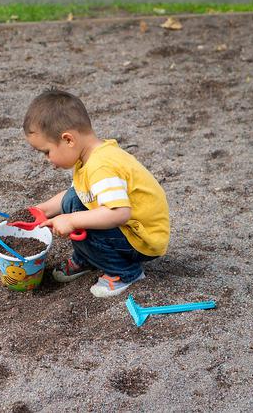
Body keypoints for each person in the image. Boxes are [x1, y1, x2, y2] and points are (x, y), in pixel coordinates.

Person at [23, 88, 169, 297]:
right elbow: (76, 194)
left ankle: (125, 272)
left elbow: (118, 213)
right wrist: (42, 210)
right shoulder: (90, 156)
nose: (47, 159)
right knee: (74, 201)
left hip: (142, 239)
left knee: (81, 218)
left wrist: (72, 220)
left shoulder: (102, 166)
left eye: (47, 152)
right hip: (129, 229)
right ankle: (88, 258)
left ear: (68, 140)